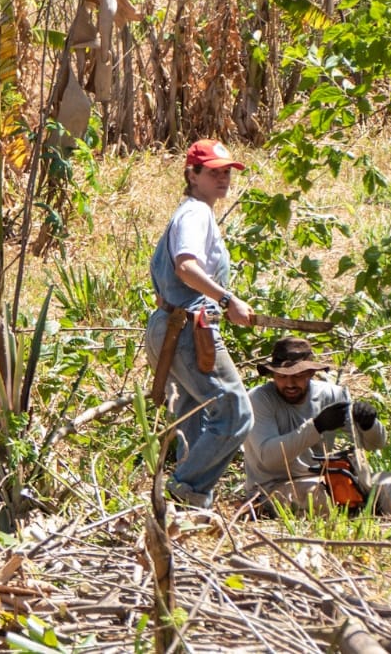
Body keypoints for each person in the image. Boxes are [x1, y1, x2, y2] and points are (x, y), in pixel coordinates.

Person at [146, 139, 255, 508]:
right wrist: (227, 299)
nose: (223, 178)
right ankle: (184, 488)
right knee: (236, 413)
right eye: (213, 172)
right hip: (190, 328)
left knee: (192, 415)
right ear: (192, 175)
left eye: (226, 171)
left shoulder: (193, 212)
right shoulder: (195, 214)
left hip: (174, 325)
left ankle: (181, 511)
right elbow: (186, 267)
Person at [243, 337, 391, 520]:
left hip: (328, 479)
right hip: (272, 488)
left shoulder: (330, 394)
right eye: (282, 377)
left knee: (388, 481)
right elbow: (269, 458)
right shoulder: (259, 400)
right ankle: (367, 512)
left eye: (298, 376)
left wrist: (369, 424)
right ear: (272, 375)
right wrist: (316, 427)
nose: (290, 384)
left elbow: (376, 444)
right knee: (324, 494)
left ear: (311, 373)